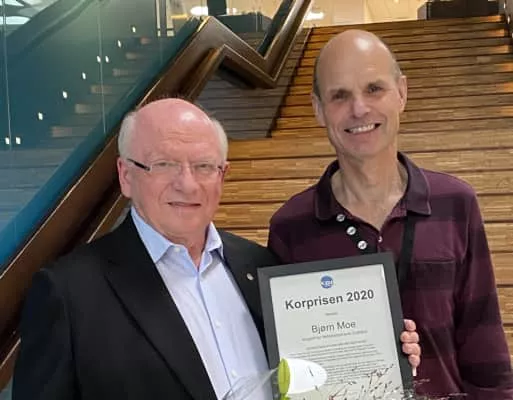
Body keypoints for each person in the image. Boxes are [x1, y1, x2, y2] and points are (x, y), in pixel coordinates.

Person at [13, 98, 420, 400]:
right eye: (164, 164)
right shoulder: (68, 294)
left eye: (204, 166)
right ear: (126, 175)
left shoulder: (261, 266)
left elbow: (311, 374)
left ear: (222, 176)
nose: (187, 184)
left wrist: (383, 352)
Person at [267, 29, 513, 399]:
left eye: (374, 89)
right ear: (318, 109)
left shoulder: (455, 203)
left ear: (401, 92)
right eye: (339, 95)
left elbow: (485, 347)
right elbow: (290, 371)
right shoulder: (290, 226)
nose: (359, 109)